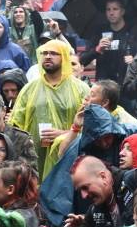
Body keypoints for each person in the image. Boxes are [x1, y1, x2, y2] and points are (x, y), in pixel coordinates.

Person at [12, 40, 87, 178]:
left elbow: (91, 127)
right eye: (44, 53)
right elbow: (15, 126)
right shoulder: (29, 89)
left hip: (68, 160)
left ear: (64, 57)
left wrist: (64, 134)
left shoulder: (80, 89)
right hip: (34, 162)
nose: (47, 56)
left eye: (53, 53)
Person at [80, 0, 137, 85]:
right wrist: (97, 49)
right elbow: (82, 60)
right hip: (104, 85)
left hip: (127, 84)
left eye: (115, 9)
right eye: (108, 9)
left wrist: (135, 60)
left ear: (122, 11)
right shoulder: (99, 32)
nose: (111, 13)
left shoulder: (134, 32)